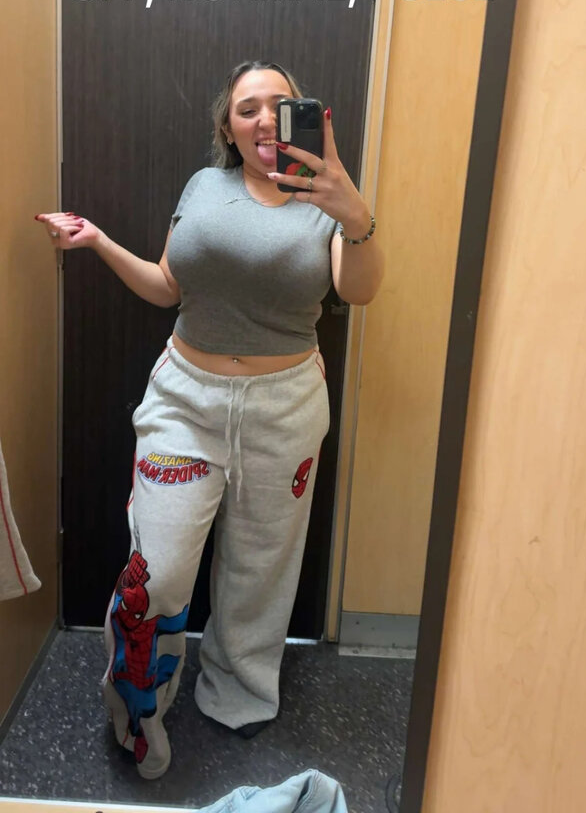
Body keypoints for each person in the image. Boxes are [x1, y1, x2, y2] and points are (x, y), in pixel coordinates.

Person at [35, 61, 383, 780]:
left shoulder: (329, 199)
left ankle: (240, 694)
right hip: (184, 402)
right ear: (228, 125)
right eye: (247, 108)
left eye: (280, 105)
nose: (265, 119)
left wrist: (356, 217)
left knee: (261, 568)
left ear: (307, 116)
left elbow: (359, 291)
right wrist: (97, 240)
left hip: (285, 406)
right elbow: (168, 285)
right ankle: (137, 711)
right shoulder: (202, 186)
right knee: (156, 573)